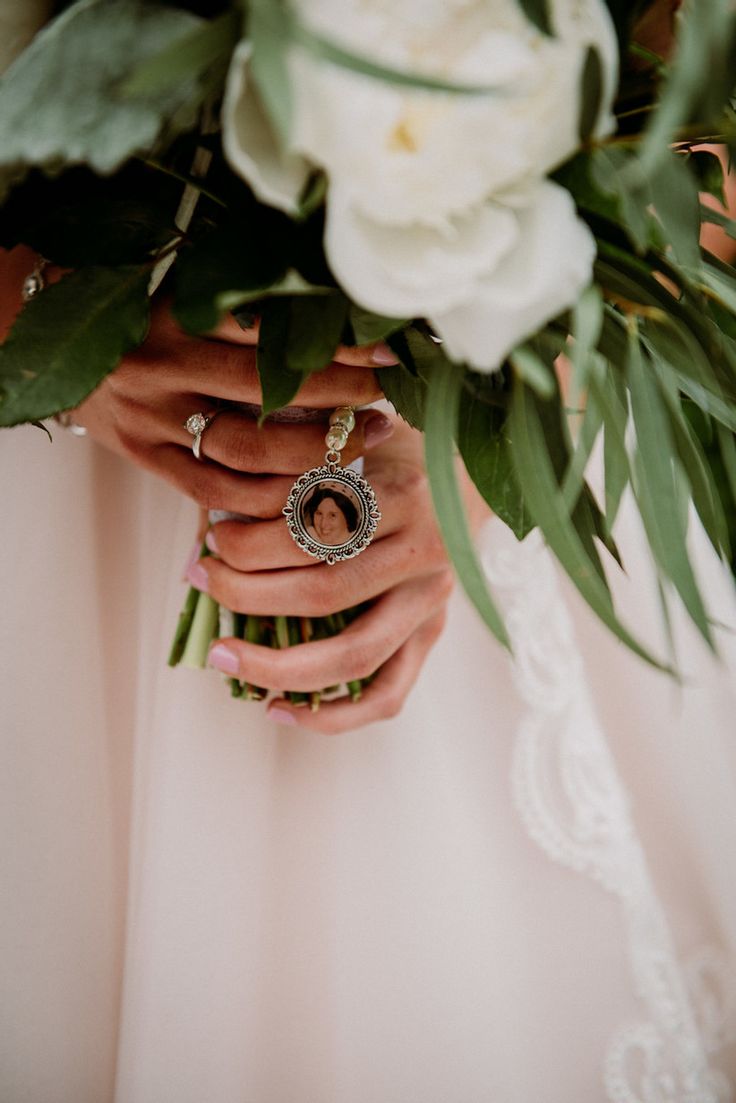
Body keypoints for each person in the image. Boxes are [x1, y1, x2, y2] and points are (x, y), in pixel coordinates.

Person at [1, 6, 736, 1103]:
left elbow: (699, 140)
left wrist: (483, 462)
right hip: (73, 520)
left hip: (495, 386)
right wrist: (41, 326)